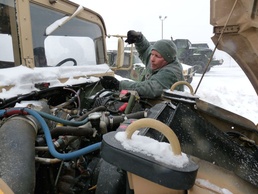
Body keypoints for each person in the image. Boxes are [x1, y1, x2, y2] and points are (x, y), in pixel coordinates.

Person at [100, 30, 185, 99]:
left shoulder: (171, 72)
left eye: (157, 56)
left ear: (167, 59)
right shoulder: (157, 61)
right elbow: (146, 49)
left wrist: (119, 85)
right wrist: (139, 39)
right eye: (152, 54)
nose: (152, 59)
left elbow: (150, 88)